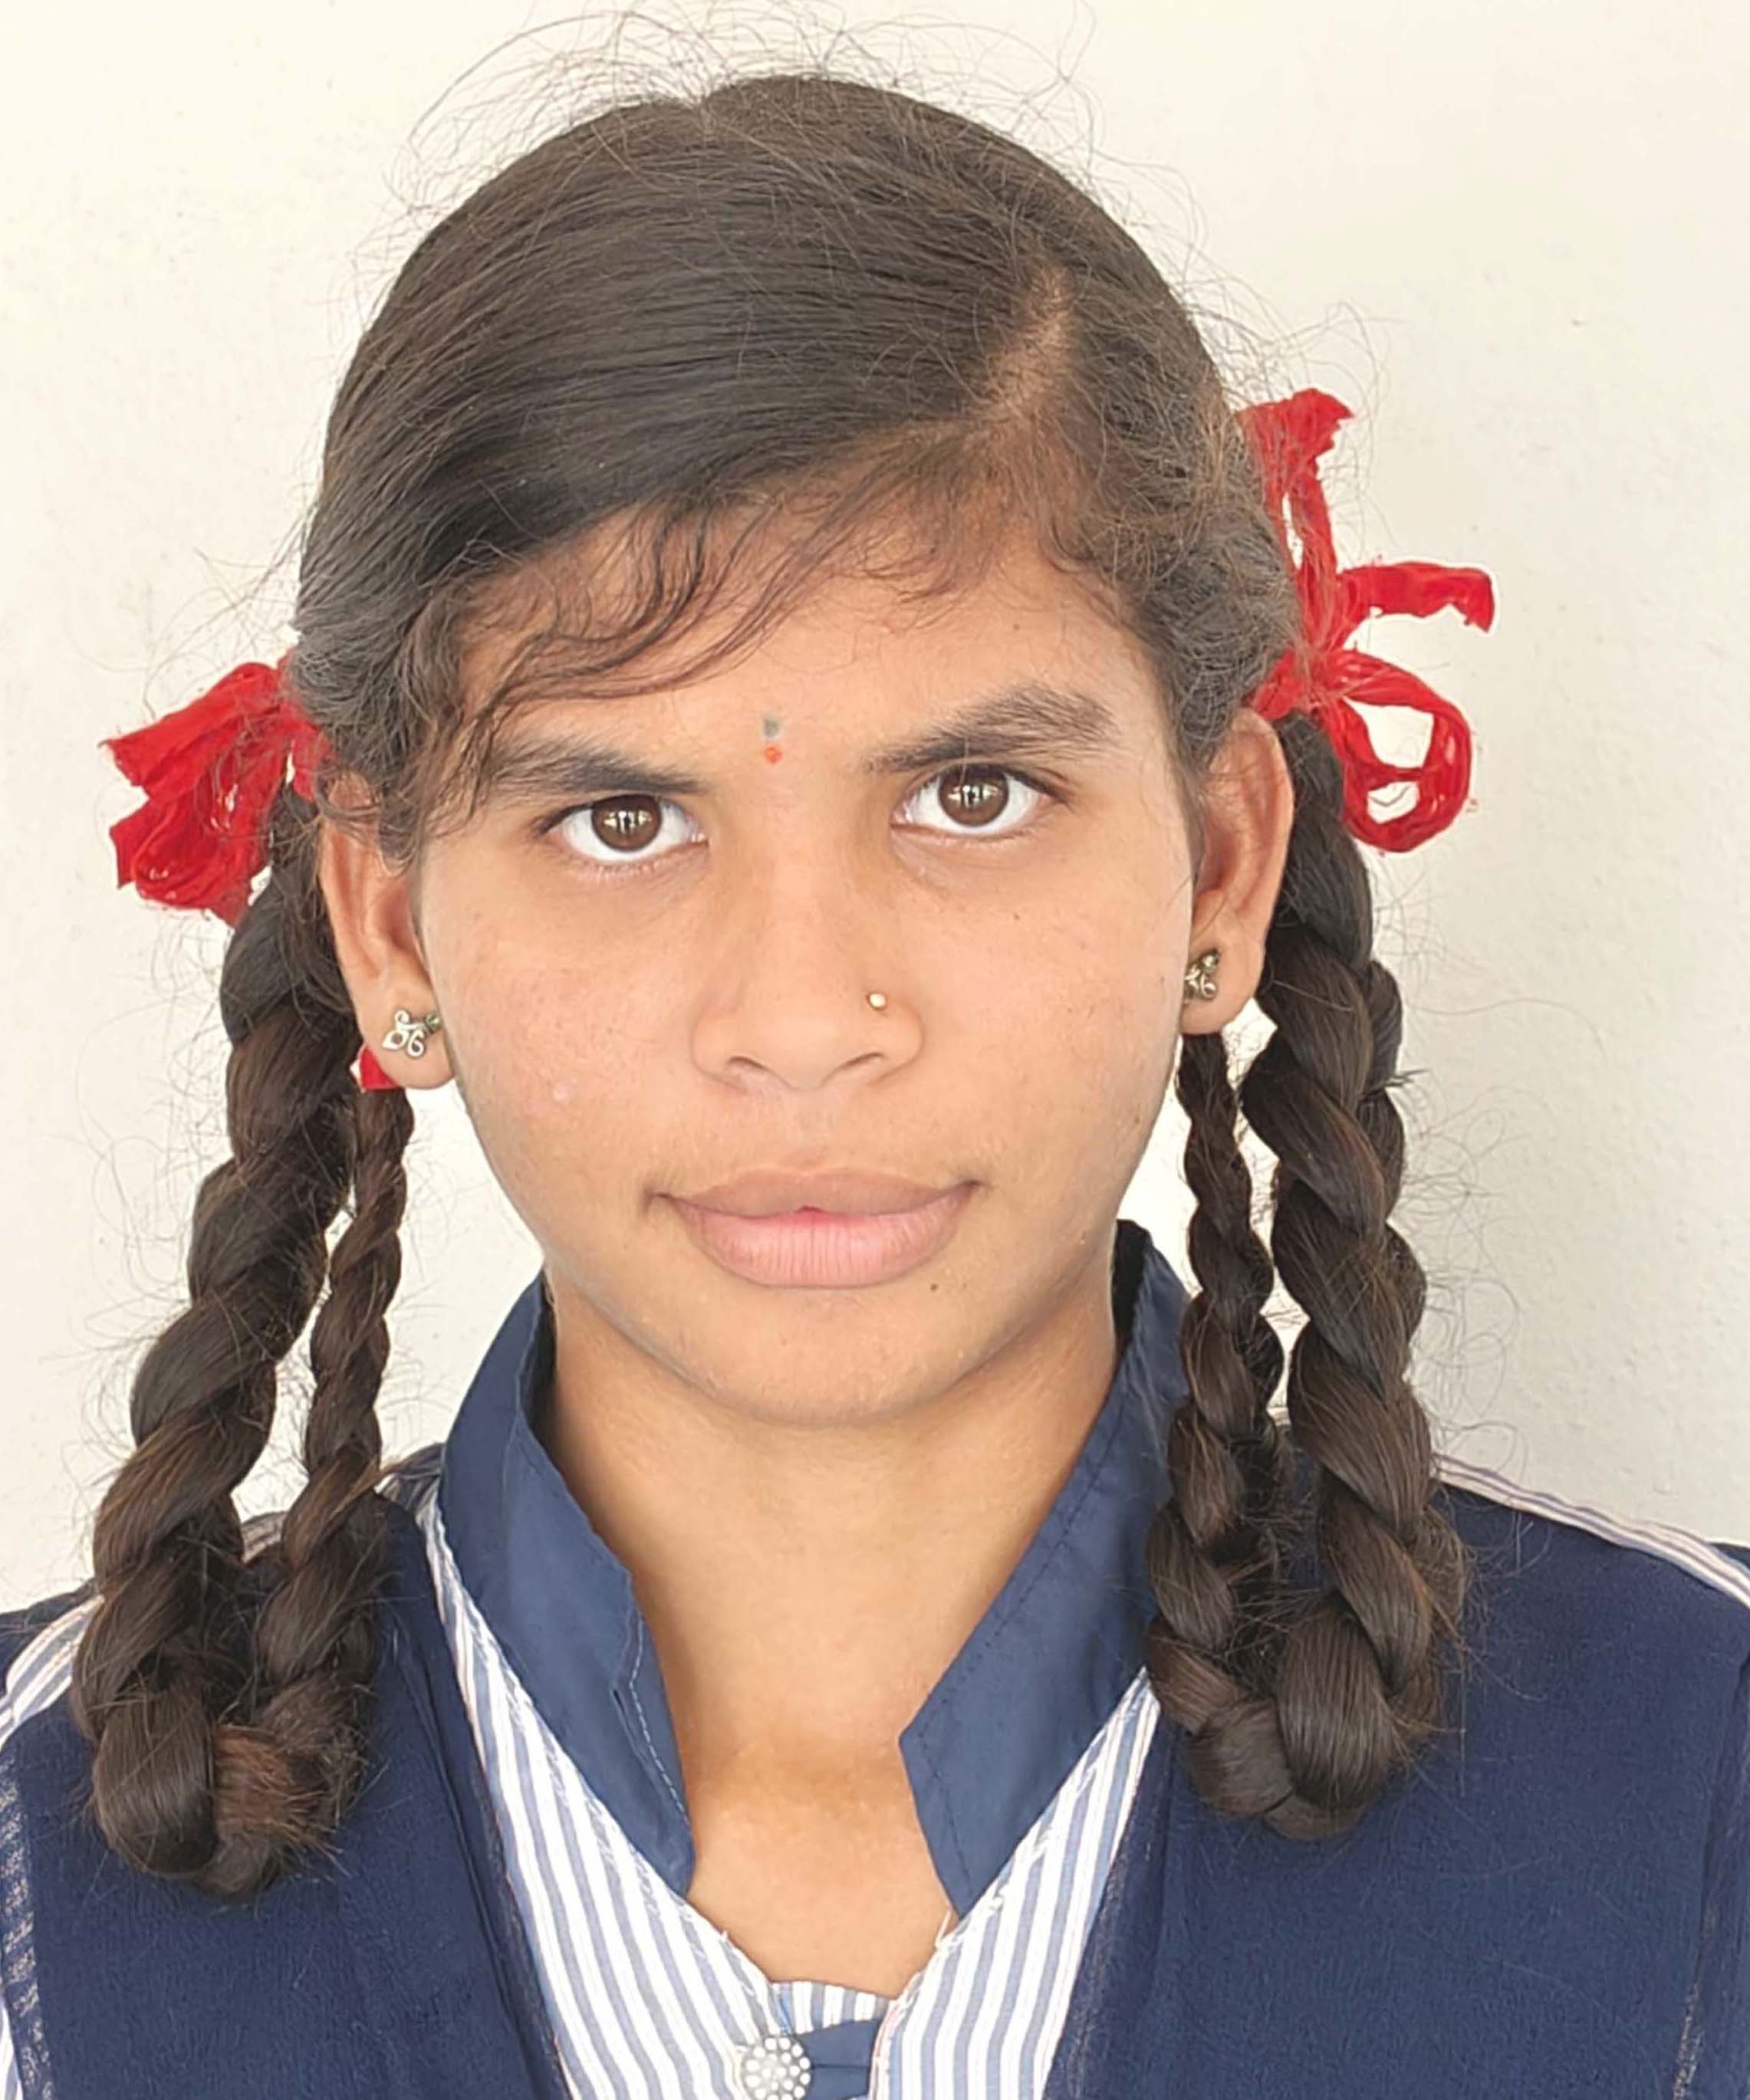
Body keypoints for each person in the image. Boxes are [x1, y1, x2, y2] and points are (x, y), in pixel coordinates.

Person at [2, 64, 1745, 2100]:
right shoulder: (37, 1883)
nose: (808, 1017)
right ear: (391, 926)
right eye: (623, 820)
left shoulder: (1693, 1777)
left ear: (1219, 863)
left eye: (972, 792)